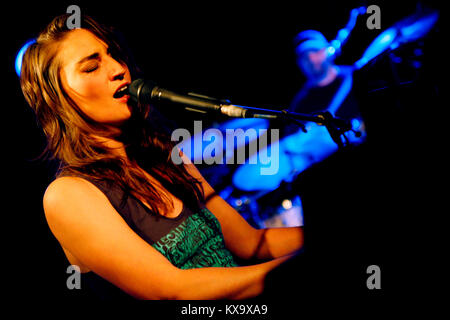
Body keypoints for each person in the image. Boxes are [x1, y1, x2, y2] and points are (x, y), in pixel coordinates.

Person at [19, 13, 304, 300]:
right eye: (92, 67)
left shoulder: (166, 153)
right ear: (57, 99)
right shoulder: (68, 195)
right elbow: (171, 290)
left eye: (114, 56)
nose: (119, 69)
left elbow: (252, 243)